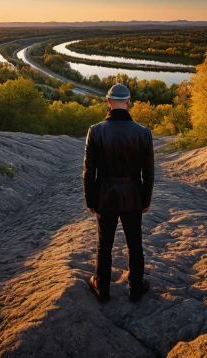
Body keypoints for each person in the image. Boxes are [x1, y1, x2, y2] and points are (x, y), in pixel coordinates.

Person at [83, 83, 154, 303]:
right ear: (129, 102)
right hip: (133, 196)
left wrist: (90, 199)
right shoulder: (143, 132)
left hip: (105, 195)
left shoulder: (95, 131)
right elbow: (148, 172)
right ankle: (135, 287)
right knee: (135, 243)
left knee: (104, 244)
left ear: (109, 101)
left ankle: (102, 287)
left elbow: (89, 171)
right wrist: (145, 199)